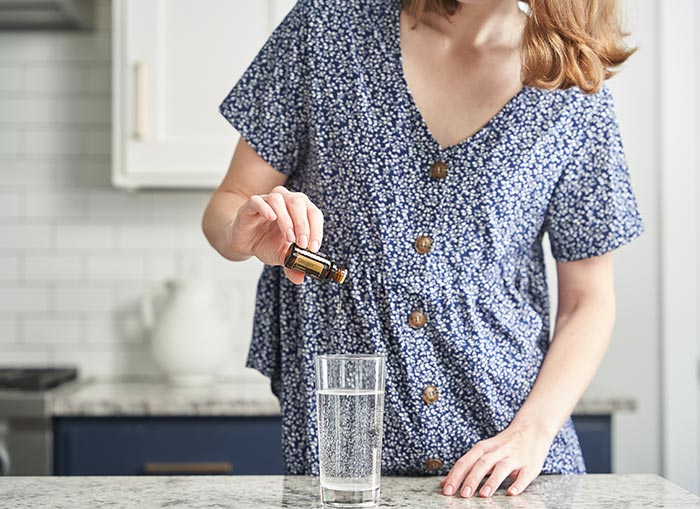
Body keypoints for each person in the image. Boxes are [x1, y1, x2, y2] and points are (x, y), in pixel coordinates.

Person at [202, 0, 643, 498]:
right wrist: (242, 229)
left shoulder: (572, 81)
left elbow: (589, 301)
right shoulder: (326, 28)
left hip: (507, 465)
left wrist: (532, 433)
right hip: (347, 464)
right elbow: (228, 204)